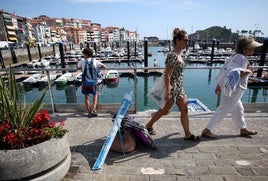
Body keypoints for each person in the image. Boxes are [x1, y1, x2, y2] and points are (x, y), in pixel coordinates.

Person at [201, 37, 262, 138]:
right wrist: (250, 71)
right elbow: (237, 74)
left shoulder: (236, 56)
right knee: (223, 109)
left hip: (233, 88)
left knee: (238, 109)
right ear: (245, 48)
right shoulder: (241, 58)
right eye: (251, 47)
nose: (253, 49)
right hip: (235, 89)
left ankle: (243, 129)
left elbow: (226, 72)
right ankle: (207, 130)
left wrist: (219, 85)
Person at [145, 28, 199, 141]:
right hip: (172, 88)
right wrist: (169, 92)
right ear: (178, 40)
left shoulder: (180, 54)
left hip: (179, 88)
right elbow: (168, 75)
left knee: (185, 110)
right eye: (185, 40)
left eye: (188, 40)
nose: (187, 42)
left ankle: (188, 134)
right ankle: (149, 125)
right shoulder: (172, 55)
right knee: (164, 111)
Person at [77, 47, 106, 117]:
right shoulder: (95, 61)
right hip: (93, 82)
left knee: (86, 97)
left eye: (83, 53)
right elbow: (104, 66)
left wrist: (81, 68)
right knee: (95, 95)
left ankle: (89, 112)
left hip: (85, 82)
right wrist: (97, 69)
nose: (83, 55)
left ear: (86, 54)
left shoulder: (82, 61)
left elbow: (78, 67)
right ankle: (94, 110)